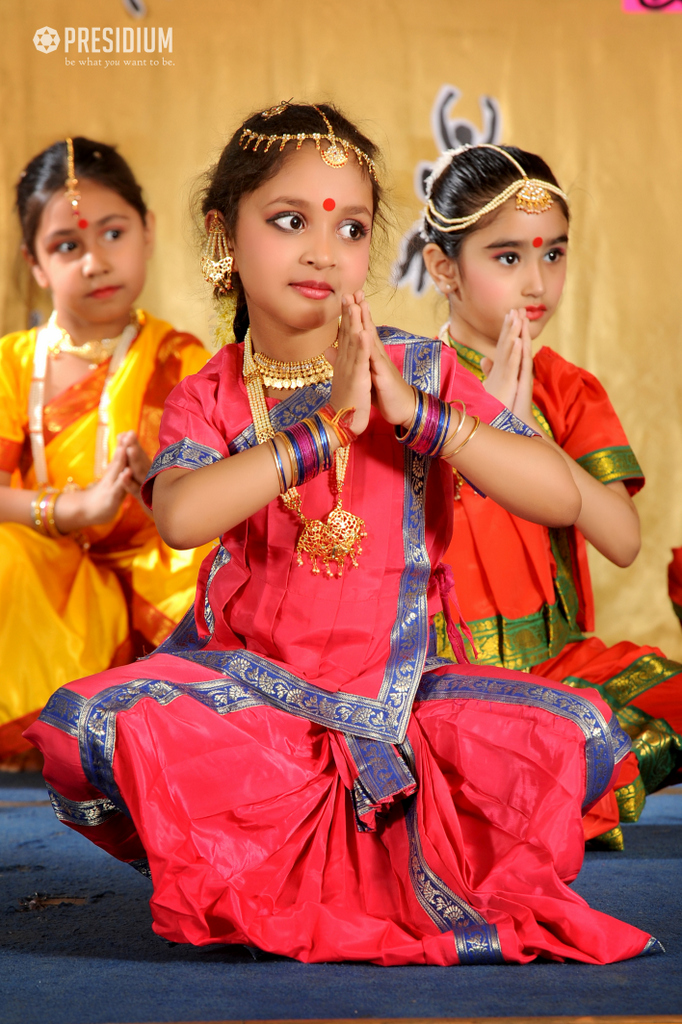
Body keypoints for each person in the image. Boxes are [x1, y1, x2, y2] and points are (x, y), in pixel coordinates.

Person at [27, 104, 661, 966]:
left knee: (578, 733)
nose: (323, 251)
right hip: (257, 708)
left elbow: (557, 497)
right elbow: (179, 516)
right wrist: (322, 431)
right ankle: (272, 865)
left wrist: (416, 418)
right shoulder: (210, 394)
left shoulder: (418, 372)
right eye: (289, 221)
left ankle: (314, 870)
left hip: (404, 702)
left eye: (351, 227)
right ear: (224, 236)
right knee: (88, 726)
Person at [417, 142, 682, 846]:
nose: (537, 282)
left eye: (553, 255)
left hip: (564, 662)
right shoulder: (405, 385)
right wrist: (475, 434)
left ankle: (558, 788)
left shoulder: (566, 389)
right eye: (507, 258)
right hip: (446, 673)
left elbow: (623, 542)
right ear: (445, 267)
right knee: (485, 747)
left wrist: (526, 434)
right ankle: (555, 789)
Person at [0, 136, 212, 769]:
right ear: (34, 264)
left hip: (155, 572)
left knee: (222, 565)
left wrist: (162, 489)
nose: (95, 261)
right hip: (51, 580)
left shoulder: (181, 361)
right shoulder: (13, 366)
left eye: (112, 233)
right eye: (67, 246)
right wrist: (68, 511)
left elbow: (215, 494)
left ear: (146, 230)